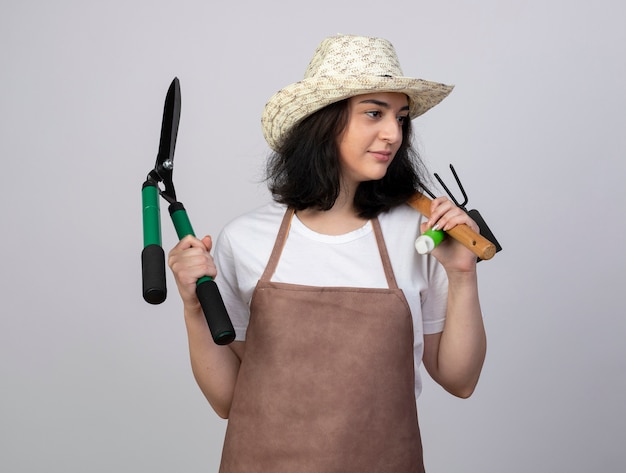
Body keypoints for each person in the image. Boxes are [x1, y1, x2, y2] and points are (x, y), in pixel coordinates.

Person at [168, 34, 486, 473]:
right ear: (324, 121)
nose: (393, 133)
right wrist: (192, 309)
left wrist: (463, 275)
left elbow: (460, 380)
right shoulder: (245, 239)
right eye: (374, 113)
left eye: (401, 117)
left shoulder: (420, 235)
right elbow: (228, 402)